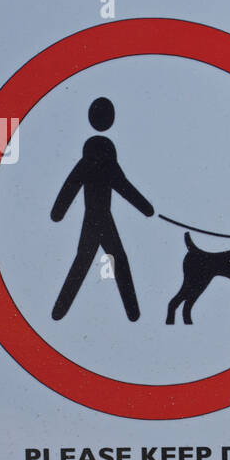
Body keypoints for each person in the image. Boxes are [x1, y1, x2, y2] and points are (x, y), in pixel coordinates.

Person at [50, 96, 155, 322]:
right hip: (102, 219)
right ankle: (132, 311)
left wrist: (58, 213)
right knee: (114, 259)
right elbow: (125, 187)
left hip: (95, 219)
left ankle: (60, 310)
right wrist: (146, 209)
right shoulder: (105, 164)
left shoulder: (88, 162)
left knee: (86, 260)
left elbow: (70, 187)